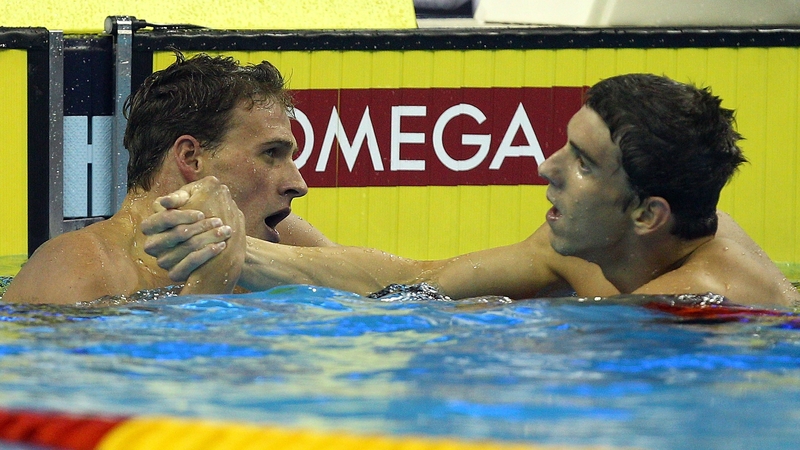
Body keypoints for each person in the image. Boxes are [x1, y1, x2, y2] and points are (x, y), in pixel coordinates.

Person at [142, 73, 800, 308]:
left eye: (581, 163)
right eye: (563, 145)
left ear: (646, 214)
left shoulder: (704, 310)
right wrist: (226, 243)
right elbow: (421, 278)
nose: (546, 165)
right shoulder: (600, 242)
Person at [3, 53, 333, 305]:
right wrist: (216, 276)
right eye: (271, 153)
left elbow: (382, 281)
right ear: (191, 157)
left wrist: (240, 255)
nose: (298, 184)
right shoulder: (78, 269)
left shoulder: (270, 235)